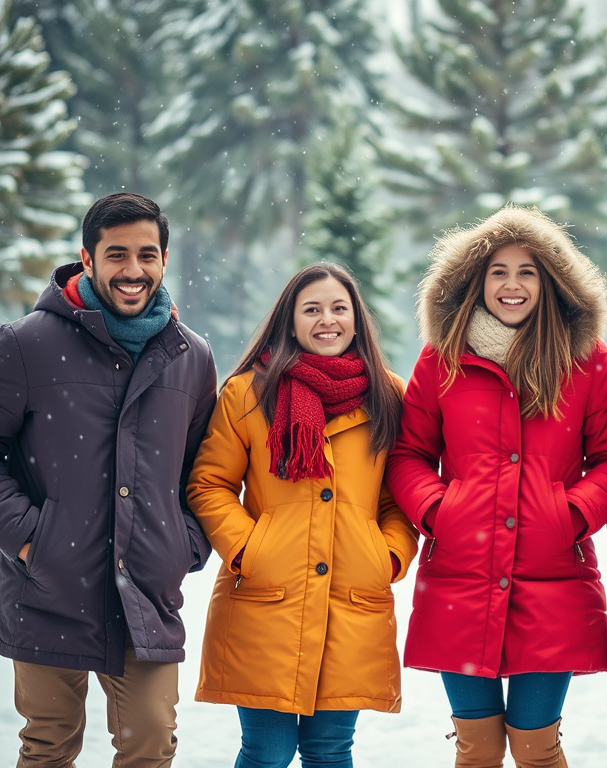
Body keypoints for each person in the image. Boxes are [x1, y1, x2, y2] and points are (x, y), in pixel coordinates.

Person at [385, 206, 607, 768]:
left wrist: (569, 515)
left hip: (552, 577)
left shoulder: (587, 360)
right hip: (461, 574)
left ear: (550, 281)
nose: (512, 285)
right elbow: (409, 455)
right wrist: (439, 511)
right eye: (498, 271)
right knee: (476, 750)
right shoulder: (443, 358)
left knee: (536, 747)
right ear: (476, 281)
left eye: (527, 271)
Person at [0, 192, 217, 767]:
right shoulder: (25, 344)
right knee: (48, 746)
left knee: (150, 742)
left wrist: (183, 545)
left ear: (165, 259)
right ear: (87, 259)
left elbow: (204, 470)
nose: (133, 270)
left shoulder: (190, 357)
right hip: (48, 584)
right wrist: (29, 539)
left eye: (147, 254)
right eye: (116, 254)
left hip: (146, 589)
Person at [186, 262, 418, 768]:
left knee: (329, 751)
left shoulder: (390, 396)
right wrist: (250, 549)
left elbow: (397, 500)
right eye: (311, 309)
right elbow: (210, 483)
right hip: (267, 599)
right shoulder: (248, 392)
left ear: (357, 319)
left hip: (351, 601)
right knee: (266, 752)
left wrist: (389, 556)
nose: (327, 320)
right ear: (290, 321)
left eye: (339, 308)